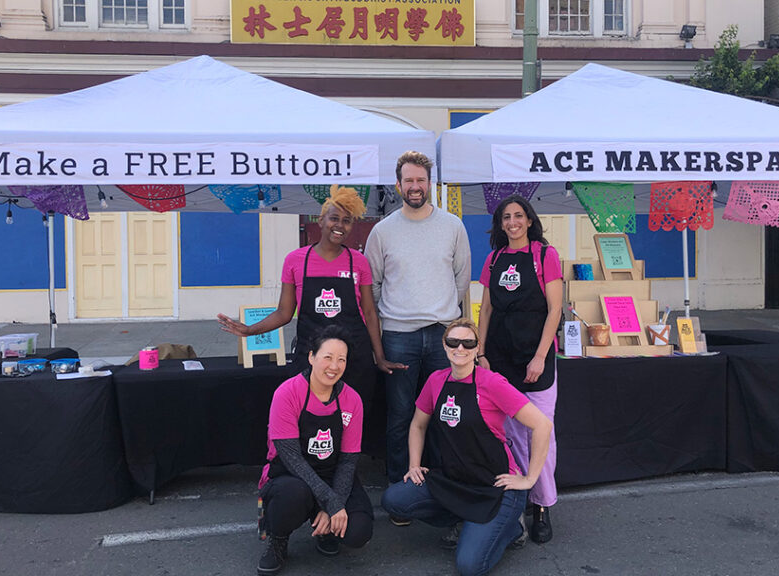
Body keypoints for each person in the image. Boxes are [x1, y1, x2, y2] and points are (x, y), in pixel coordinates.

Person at [218, 185, 402, 450]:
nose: (340, 226)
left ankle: (346, 472)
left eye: (347, 221)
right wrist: (249, 331)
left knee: (351, 420)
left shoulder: (358, 262)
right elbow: (284, 313)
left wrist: (380, 356)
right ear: (320, 220)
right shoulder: (295, 260)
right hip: (311, 354)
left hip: (355, 357)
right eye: (334, 218)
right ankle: (313, 472)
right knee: (310, 416)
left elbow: (370, 313)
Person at [380, 319, 552, 576]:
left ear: (476, 347)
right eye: (453, 342)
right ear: (444, 345)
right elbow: (417, 425)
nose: (460, 348)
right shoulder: (436, 381)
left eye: (468, 343)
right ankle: (466, 520)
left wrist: (529, 479)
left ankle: (511, 528)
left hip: (495, 486)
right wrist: (414, 464)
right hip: (455, 480)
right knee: (394, 500)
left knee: (470, 567)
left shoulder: (492, 383)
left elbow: (542, 425)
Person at [365, 150, 472, 492]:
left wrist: (441, 310)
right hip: (399, 336)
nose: (415, 186)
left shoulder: (452, 226)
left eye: (421, 180)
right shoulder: (382, 232)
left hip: (444, 337)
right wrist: (398, 312)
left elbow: (461, 278)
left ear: (430, 184)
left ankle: (443, 485)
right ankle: (401, 487)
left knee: (446, 414)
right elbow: (374, 284)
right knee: (400, 416)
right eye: (408, 180)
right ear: (398, 185)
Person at [476, 195, 563, 544]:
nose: (512, 222)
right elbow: (485, 311)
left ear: (529, 220)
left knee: (541, 433)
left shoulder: (546, 255)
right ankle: (519, 496)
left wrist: (540, 356)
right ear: (500, 225)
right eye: (505, 218)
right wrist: (480, 351)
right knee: (511, 434)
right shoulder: (494, 259)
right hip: (500, 359)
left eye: (518, 216)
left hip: (536, 357)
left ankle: (542, 504)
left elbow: (554, 310)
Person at [255, 325, 373, 575]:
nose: (334, 366)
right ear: (311, 356)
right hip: (291, 473)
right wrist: (330, 502)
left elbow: (349, 462)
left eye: (341, 359)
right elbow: (291, 458)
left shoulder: (352, 400)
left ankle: (326, 530)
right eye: (327, 357)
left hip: (332, 472)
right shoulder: (287, 393)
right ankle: (277, 539)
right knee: (292, 494)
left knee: (358, 531)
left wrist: (334, 504)